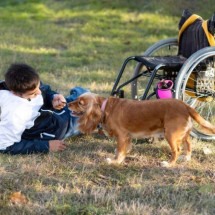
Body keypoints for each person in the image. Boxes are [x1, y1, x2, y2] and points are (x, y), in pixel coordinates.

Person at [0, 63, 88, 155]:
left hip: (56, 111)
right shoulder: (15, 113)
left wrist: (53, 97)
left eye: (38, 87)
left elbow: (44, 90)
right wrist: (46, 146)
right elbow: (4, 146)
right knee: (92, 113)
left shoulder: (22, 83)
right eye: (33, 94)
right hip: (58, 128)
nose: (39, 92)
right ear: (15, 93)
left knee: (82, 92)